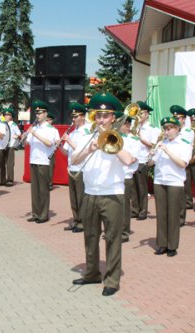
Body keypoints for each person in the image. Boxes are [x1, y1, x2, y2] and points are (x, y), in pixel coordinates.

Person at [71, 92, 135, 296]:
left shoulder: (122, 138)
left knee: (112, 238)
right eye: (98, 116)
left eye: (105, 116)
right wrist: (89, 149)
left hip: (112, 194)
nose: (101, 120)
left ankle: (112, 280)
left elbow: (129, 161)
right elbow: (74, 160)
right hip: (90, 193)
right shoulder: (86, 137)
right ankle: (91, 273)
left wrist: (111, 143)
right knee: (90, 236)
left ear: (113, 118)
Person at [148, 116, 192, 257]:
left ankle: (172, 246)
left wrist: (167, 151)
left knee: (173, 215)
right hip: (160, 181)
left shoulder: (184, 143)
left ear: (177, 129)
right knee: (161, 214)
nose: (167, 132)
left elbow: (183, 163)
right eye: (165, 129)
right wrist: (150, 156)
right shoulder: (161, 142)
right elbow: (151, 164)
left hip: (174, 182)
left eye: (170, 128)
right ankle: (162, 244)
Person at [23, 100, 59, 224]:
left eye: (40, 113)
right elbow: (27, 143)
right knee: (35, 189)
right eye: (36, 113)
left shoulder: (50, 129)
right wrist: (23, 136)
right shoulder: (34, 128)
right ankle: (35, 213)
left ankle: (43, 215)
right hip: (33, 160)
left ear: (45, 114)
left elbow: (49, 143)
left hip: (44, 161)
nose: (37, 115)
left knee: (43, 189)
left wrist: (35, 134)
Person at [60, 102, 90, 233]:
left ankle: (83, 223)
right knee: (73, 198)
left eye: (76, 116)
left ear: (83, 117)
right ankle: (76, 220)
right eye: (72, 117)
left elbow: (82, 149)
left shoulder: (86, 131)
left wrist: (69, 141)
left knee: (81, 197)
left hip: (82, 169)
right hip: (72, 168)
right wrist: (59, 145)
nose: (73, 119)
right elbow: (67, 152)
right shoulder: (73, 132)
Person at [131, 101, 160, 220]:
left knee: (142, 187)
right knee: (133, 187)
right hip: (133, 159)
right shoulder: (135, 126)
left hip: (143, 159)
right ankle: (134, 209)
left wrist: (140, 138)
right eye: (137, 113)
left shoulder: (153, 129)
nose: (139, 116)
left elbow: (152, 145)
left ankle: (143, 210)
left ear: (147, 114)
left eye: (141, 113)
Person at [170, 105, 195, 227]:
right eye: (174, 118)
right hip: (171, 163)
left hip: (183, 162)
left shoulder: (188, 132)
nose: (176, 120)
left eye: (178, 118)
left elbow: (183, 147)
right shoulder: (171, 130)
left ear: (184, 119)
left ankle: (180, 217)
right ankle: (173, 216)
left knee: (182, 192)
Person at [119, 115, 140, 243]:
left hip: (126, 175)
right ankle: (114, 230)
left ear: (127, 125)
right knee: (114, 205)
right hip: (114, 176)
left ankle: (123, 232)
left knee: (124, 206)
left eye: (120, 124)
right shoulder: (114, 138)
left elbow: (132, 159)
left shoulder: (134, 140)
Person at [0, 107, 21, 187]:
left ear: (11, 116)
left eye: (8, 115)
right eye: (5, 115)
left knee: (9, 164)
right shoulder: (1, 124)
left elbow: (19, 134)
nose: (6, 116)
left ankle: (10, 180)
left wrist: (16, 136)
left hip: (10, 146)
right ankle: (2, 180)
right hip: (2, 146)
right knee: (1, 164)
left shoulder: (14, 125)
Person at [46, 112, 60, 190]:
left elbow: (57, 139)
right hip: (42, 152)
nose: (48, 122)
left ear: (52, 121)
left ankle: (50, 184)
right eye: (47, 120)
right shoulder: (41, 129)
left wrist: (56, 142)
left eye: (49, 120)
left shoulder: (54, 130)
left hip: (51, 151)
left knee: (50, 168)